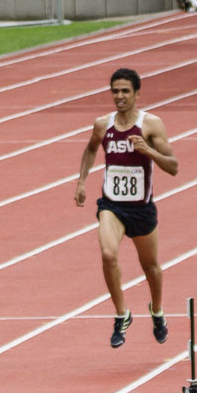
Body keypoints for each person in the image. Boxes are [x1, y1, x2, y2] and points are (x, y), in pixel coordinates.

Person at [74, 67, 178, 349]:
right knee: (108, 254)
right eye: (115, 91)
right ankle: (122, 314)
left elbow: (174, 167)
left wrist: (149, 151)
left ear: (137, 94)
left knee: (151, 267)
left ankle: (157, 311)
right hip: (112, 205)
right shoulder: (102, 124)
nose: (119, 96)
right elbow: (91, 148)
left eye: (125, 91)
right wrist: (82, 181)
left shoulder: (151, 124)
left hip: (141, 209)